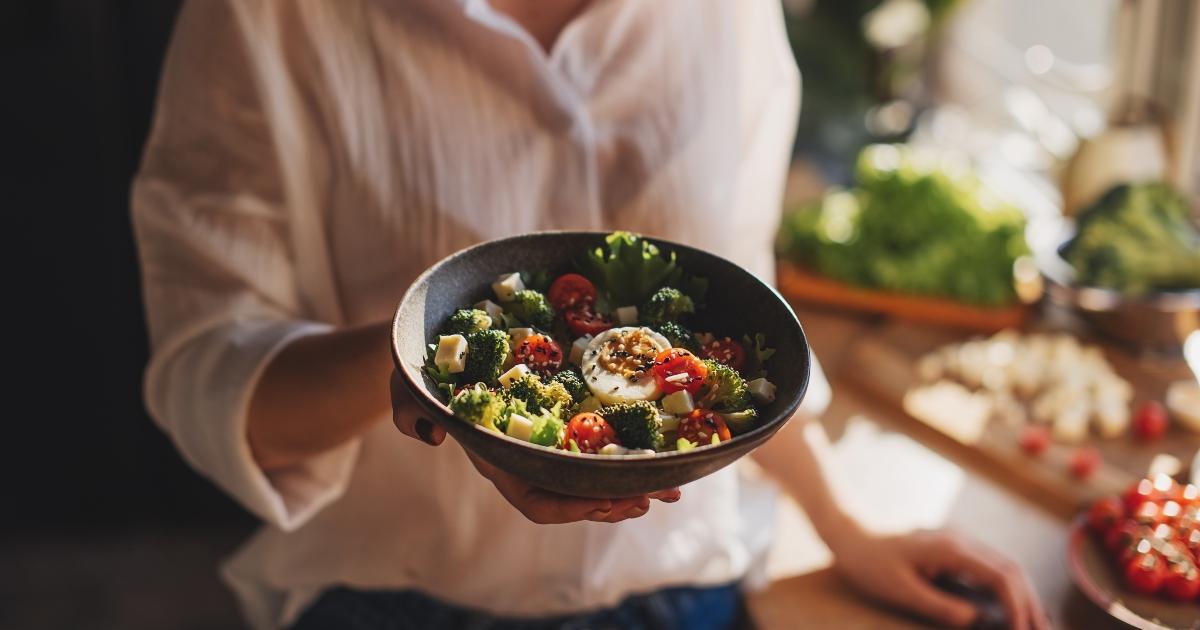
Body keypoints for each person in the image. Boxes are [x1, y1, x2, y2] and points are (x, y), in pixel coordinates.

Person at [131, 1, 1050, 628]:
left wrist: (848, 527)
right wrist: (415, 362)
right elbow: (206, 373)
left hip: (689, 593)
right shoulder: (265, 17)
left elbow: (732, 311)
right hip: (397, 601)